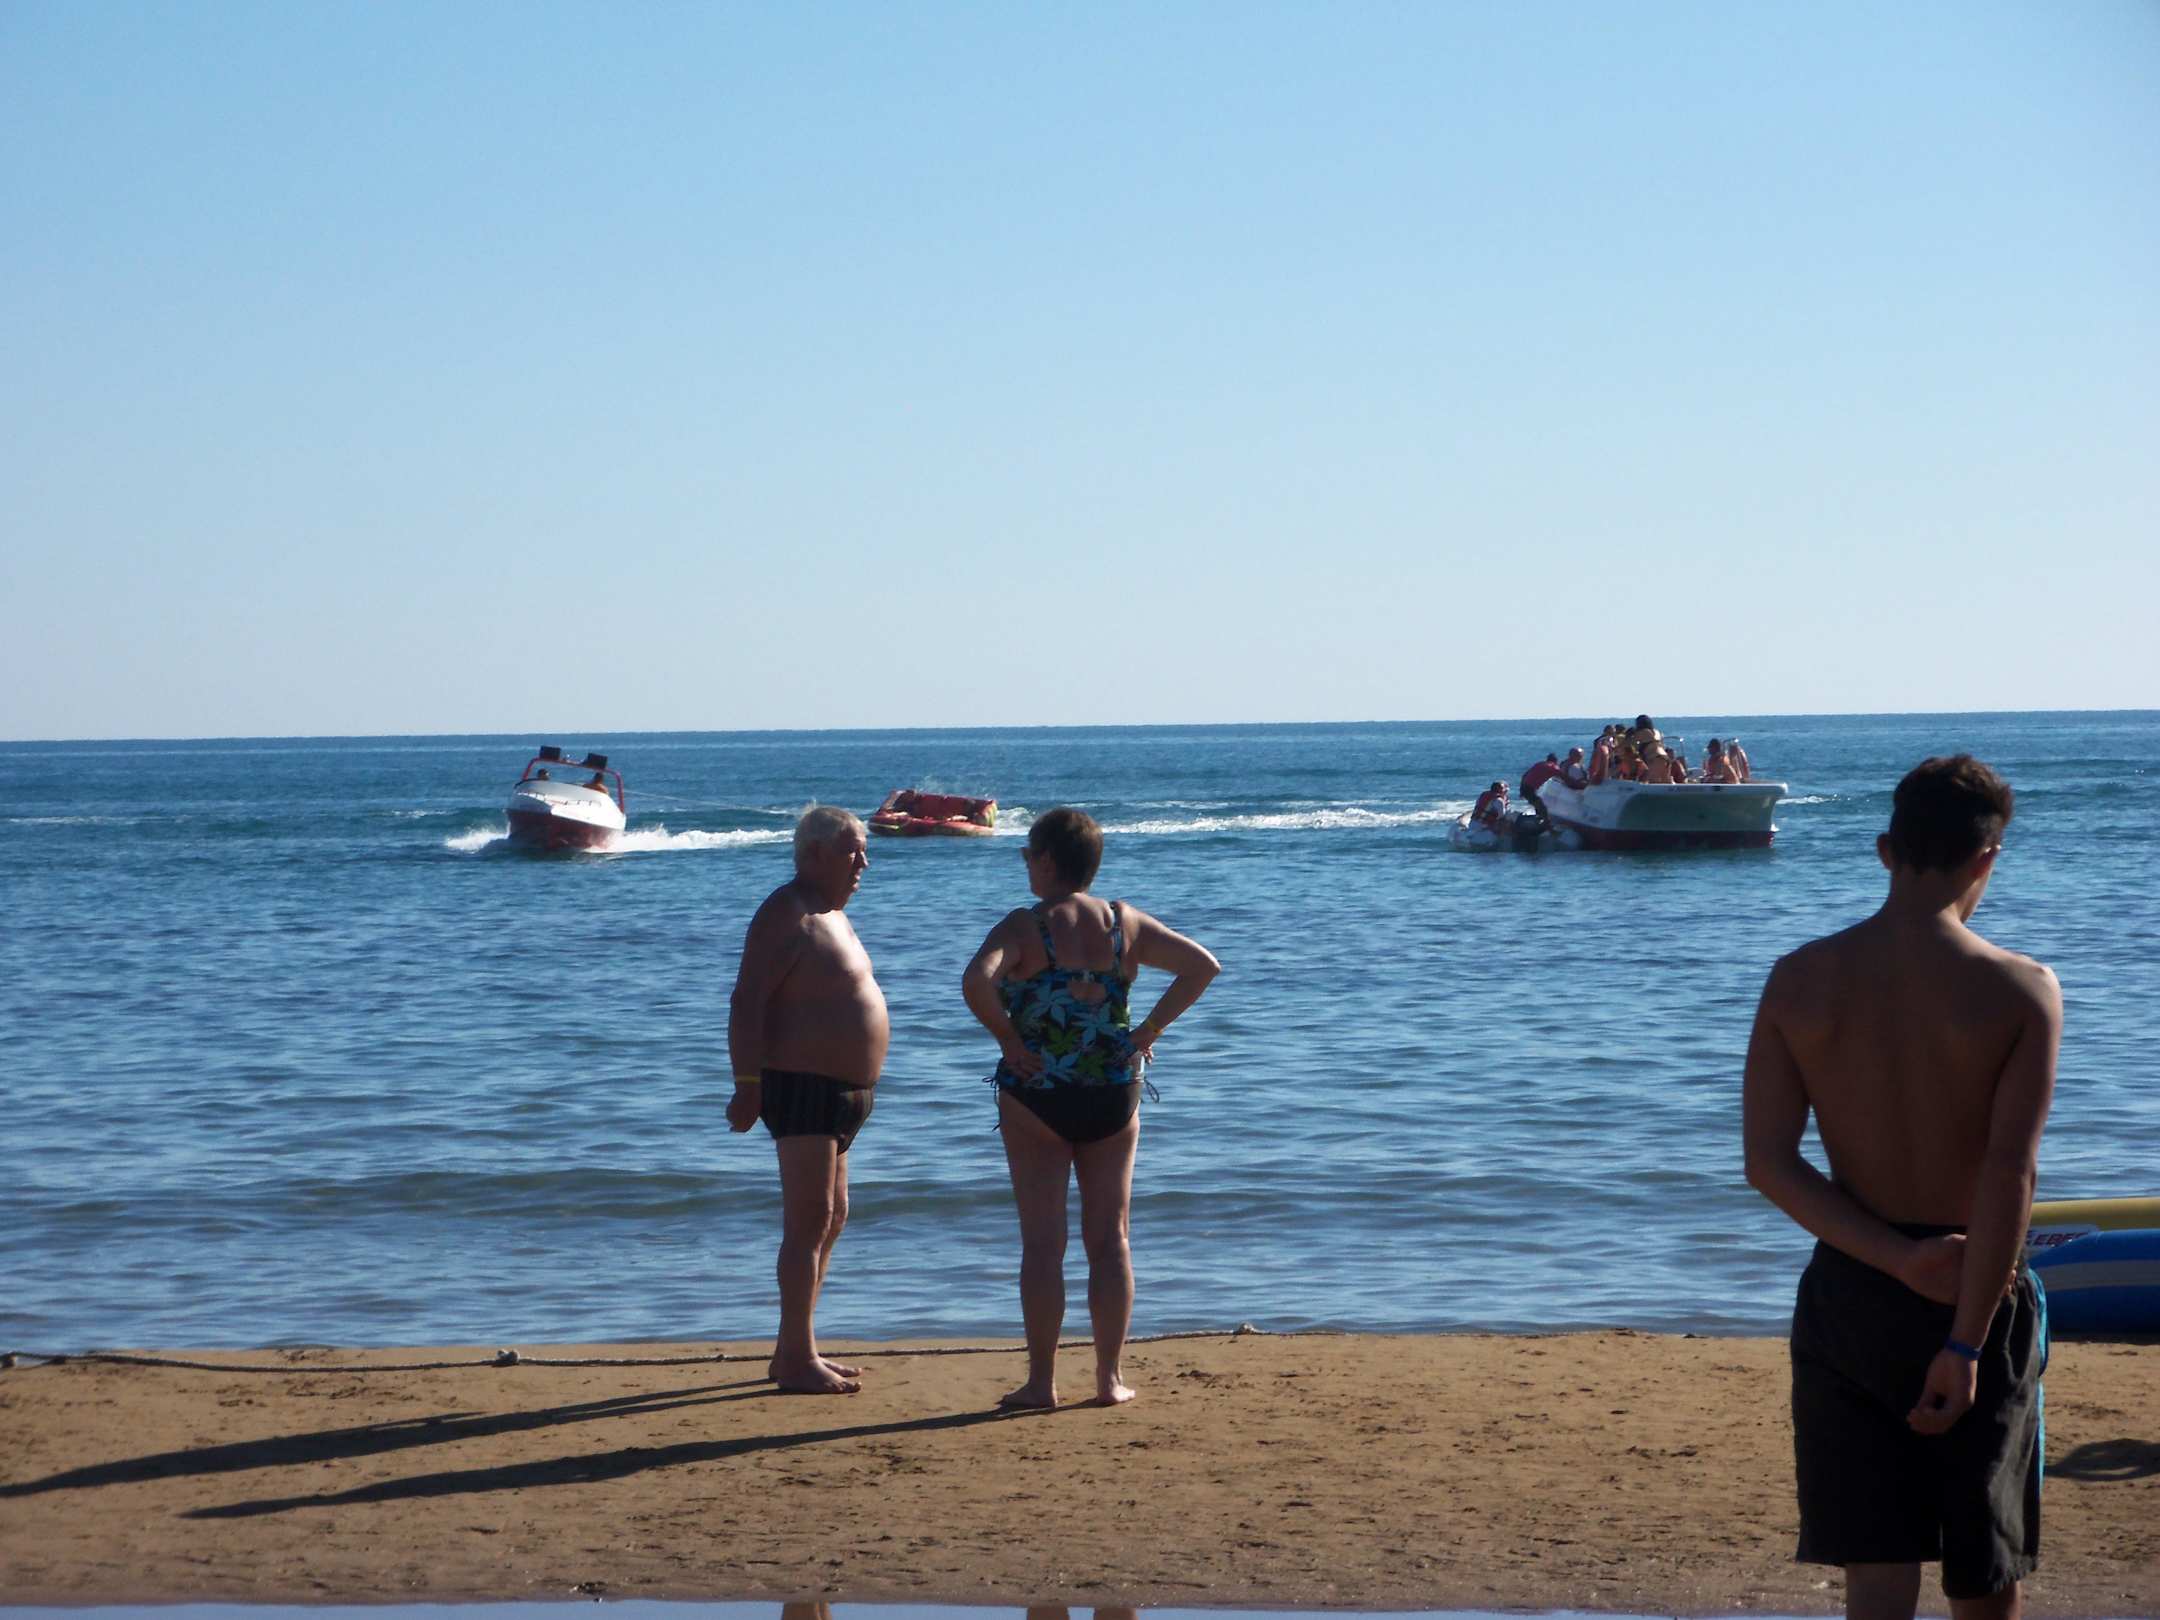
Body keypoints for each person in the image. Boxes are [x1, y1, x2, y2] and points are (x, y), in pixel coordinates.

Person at [1742, 756, 2059, 1620]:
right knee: (1983, 1577)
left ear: (1886, 850)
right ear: (1987, 858)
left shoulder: (1798, 978)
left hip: (1853, 1287)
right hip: (1978, 1287)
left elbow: (1769, 1163)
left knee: (1876, 1574)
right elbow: (2009, 1171)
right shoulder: (2022, 990)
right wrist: (1965, 1345)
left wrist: (1895, 1259)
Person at [961, 807, 1220, 1409]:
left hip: (1038, 1094)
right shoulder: (1123, 922)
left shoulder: (1026, 926)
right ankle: (1108, 1380)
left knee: (1042, 1245)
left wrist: (1009, 1040)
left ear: (1049, 861)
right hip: (1112, 1090)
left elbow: (976, 981)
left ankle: (1041, 1383)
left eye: (1028, 855)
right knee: (1110, 1239)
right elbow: (1202, 966)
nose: (1025, 864)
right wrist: (1148, 1030)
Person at [727, 805, 889, 1395]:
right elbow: (747, 1001)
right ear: (815, 853)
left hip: (841, 1094)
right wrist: (747, 1084)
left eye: (865, 851)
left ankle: (795, 1347)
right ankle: (796, 1358)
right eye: (852, 851)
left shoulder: (831, 914)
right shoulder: (785, 911)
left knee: (833, 1216)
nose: (863, 863)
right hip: (801, 1086)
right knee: (809, 1220)